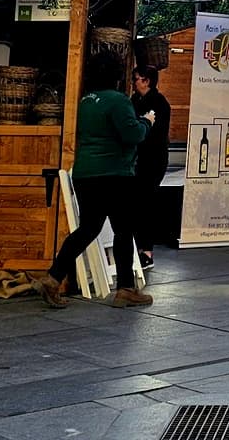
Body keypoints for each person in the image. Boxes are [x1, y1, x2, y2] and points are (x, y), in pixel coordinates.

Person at [36, 64, 153, 308]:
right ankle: (125, 289)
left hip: (85, 173)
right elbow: (132, 135)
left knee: (88, 229)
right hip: (114, 174)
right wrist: (146, 122)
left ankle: (53, 278)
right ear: (117, 78)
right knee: (123, 230)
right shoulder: (118, 100)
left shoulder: (86, 101)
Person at [129, 64, 171, 269]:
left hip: (152, 160)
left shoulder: (159, 103)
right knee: (137, 203)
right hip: (137, 159)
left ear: (146, 80)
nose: (133, 83)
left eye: (135, 79)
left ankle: (147, 251)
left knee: (146, 203)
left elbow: (155, 135)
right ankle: (137, 247)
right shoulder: (134, 100)